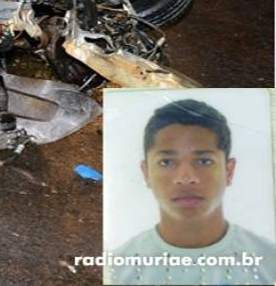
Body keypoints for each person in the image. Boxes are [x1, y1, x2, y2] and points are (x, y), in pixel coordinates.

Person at [106, 99, 276, 285]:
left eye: (203, 161)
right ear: (146, 173)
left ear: (229, 171)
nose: (186, 178)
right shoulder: (116, 271)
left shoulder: (269, 262)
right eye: (166, 162)